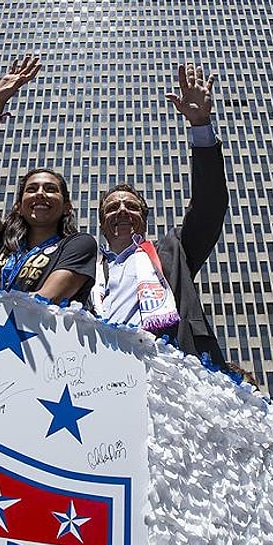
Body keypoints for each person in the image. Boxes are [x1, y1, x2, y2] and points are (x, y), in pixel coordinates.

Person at [91, 63, 228, 365]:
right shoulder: (86, 267)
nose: (122, 211)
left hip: (170, 369)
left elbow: (209, 205)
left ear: (144, 219)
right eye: (112, 208)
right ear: (102, 224)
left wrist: (200, 124)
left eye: (131, 206)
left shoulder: (174, 251)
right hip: (100, 371)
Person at [0, 55, 96, 304]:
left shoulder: (79, 245)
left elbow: (44, 301)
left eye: (51, 189)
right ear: (18, 205)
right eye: (32, 189)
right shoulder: (0, 242)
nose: (40, 194)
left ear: (67, 207)